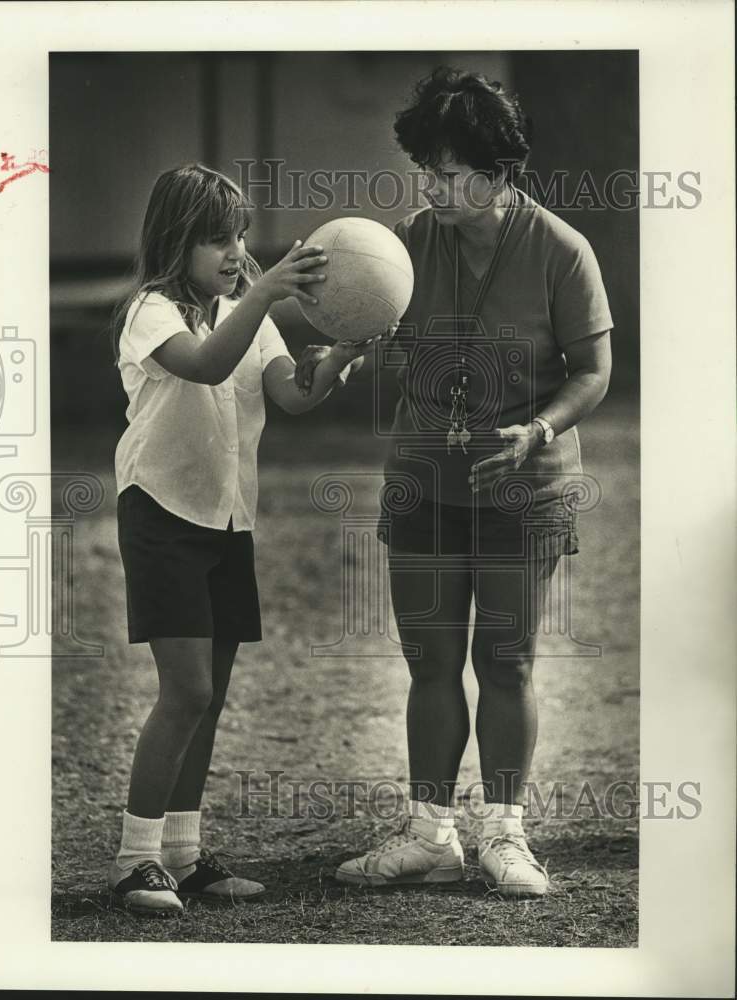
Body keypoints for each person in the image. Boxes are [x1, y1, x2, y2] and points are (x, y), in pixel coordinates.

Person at [297, 68, 612, 897]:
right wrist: (337, 351)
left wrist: (538, 428)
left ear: (497, 170)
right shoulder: (404, 245)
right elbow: (371, 328)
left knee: (504, 661)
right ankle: (430, 834)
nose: (430, 187)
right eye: (424, 170)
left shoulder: (560, 250)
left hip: (526, 488)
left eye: (447, 171)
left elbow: (595, 370)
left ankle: (504, 832)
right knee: (429, 661)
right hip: (423, 483)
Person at [109, 164, 377, 915]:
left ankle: (185, 857)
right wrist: (262, 292)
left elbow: (290, 394)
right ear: (175, 240)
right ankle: (135, 861)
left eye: (238, 236)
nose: (233, 250)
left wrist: (339, 357)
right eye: (214, 238)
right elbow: (204, 365)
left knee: (211, 696)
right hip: (161, 513)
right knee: (186, 689)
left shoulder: (246, 312)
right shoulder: (150, 312)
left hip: (228, 517)